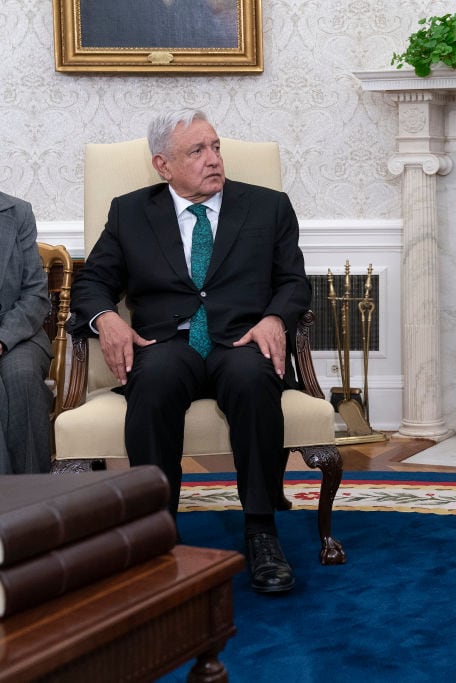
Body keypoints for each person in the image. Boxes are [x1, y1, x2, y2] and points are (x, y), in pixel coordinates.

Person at [70, 110, 311, 594]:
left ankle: (261, 530)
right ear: (163, 165)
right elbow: (92, 282)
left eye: (216, 147)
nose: (213, 160)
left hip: (240, 338)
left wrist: (273, 319)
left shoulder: (268, 206)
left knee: (251, 377)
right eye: (197, 151)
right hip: (167, 341)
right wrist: (108, 319)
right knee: (154, 380)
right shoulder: (130, 211)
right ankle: (158, 533)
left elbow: (293, 283)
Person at [0, 192, 54, 475]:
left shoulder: (17, 212)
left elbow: (35, 293)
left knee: (21, 378)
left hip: (20, 331)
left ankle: (33, 499)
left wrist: (2, 338)